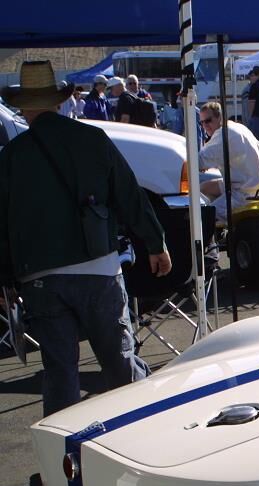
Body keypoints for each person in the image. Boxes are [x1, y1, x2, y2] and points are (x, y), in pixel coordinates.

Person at [0, 61, 171, 417]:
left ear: (23, 107)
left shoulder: (12, 156)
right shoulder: (92, 138)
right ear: (60, 101)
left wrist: (5, 282)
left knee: (60, 372)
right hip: (98, 267)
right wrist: (156, 244)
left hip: (39, 277)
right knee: (119, 363)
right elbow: (130, 196)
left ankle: (64, 459)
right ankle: (140, 437)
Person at [198, 101, 259, 222]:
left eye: (208, 121)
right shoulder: (237, 126)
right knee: (203, 188)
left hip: (245, 191)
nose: (205, 125)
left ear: (219, 117)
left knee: (206, 214)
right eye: (201, 122)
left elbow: (199, 162)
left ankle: (218, 236)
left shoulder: (222, 135)